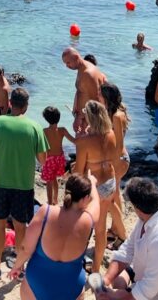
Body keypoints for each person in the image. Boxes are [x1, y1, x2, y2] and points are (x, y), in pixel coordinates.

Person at [0, 87, 48, 282]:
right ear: (26, 107)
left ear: (10, 103)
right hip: (23, 186)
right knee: (21, 227)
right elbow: (43, 160)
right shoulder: (35, 127)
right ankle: (20, 268)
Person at [7, 172, 100, 299]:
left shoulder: (46, 212)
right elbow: (96, 201)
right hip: (71, 286)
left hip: (38, 283)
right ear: (85, 198)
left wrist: (16, 267)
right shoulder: (89, 220)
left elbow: (25, 248)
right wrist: (93, 183)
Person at [74, 100, 122, 265]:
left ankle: (77, 260)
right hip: (110, 183)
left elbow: (78, 172)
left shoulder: (84, 141)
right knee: (100, 230)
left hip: (94, 188)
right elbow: (115, 160)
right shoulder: (111, 134)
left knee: (83, 226)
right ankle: (95, 268)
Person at [103, 83, 132, 246]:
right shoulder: (113, 113)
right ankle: (114, 228)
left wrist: (111, 163)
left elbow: (119, 144)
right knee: (115, 192)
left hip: (119, 159)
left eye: (101, 95)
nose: (98, 97)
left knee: (113, 194)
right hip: (117, 158)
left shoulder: (116, 116)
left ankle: (117, 231)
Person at [62, 48, 107, 133]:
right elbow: (81, 93)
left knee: (86, 145)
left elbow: (96, 101)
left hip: (90, 121)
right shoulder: (82, 69)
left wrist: (85, 121)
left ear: (76, 57)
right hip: (84, 118)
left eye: (68, 63)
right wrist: (78, 117)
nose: (67, 66)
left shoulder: (87, 74)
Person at [40, 106, 74, 206]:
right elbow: (73, 140)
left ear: (46, 119)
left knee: (49, 182)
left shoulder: (44, 131)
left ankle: (50, 203)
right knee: (54, 178)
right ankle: (55, 199)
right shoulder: (62, 130)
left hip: (49, 159)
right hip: (60, 159)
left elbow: (40, 147)